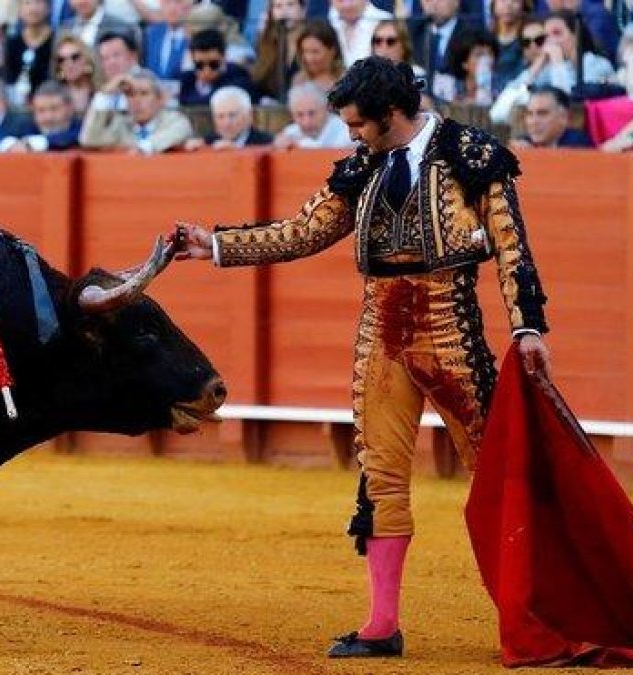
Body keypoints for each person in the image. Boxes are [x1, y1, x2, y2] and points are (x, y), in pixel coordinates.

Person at [171, 56, 551, 659]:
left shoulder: (472, 154)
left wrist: (527, 327)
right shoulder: (363, 166)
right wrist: (216, 244)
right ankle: (380, 626)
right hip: (381, 335)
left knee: (495, 475)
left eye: (356, 123)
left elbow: (512, 248)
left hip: (450, 331)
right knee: (380, 476)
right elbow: (302, 231)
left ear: (391, 113)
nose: (350, 134)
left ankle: (530, 618)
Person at [79, 66, 194, 152]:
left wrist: (141, 148)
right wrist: (105, 94)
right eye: (130, 94)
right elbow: (88, 139)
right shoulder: (121, 123)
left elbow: (181, 130)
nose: (137, 101)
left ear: (159, 98)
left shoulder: (174, 121)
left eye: (144, 93)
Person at [184, 84, 274, 149]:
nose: (226, 123)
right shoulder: (207, 143)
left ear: (249, 115)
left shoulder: (267, 143)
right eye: (220, 116)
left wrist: (236, 150)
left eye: (232, 115)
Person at [273, 81, 353, 147]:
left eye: (312, 113)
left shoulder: (346, 132)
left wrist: (300, 144)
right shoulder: (290, 132)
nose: (306, 122)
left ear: (326, 109)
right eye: (299, 115)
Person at [510, 83, 593, 147]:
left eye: (542, 113)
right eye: (530, 114)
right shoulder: (523, 143)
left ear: (563, 117)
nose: (534, 122)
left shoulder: (578, 145)